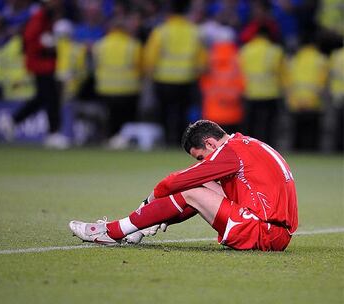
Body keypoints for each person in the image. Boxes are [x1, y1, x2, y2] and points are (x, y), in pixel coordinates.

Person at [69, 120, 298, 251]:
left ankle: (112, 231)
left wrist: (147, 202)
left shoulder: (230, 152)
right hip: (274, 230)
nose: (205, 162)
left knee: (189, 188)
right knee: (201, 186)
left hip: (264, 232)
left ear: (210, 142)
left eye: (201, 157)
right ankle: (137, 228)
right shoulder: (247, 144)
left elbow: (174, 182)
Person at [3, 0, 69, 149]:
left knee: (42, 98)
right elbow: (29, 38)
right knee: (51, 99)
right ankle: (53, 134)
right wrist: (44, 43)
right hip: (40, 65)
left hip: (45, 64)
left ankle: (13, 121)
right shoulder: (39, 18)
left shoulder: (45, 18)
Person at [144, 0, 206, 146]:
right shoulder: (194, 31)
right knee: (183, 114)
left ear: (169, 12)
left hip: (163, 79)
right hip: (187, 79)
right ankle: (181, 142)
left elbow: (150, 56)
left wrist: (149, 74)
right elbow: (202, 59)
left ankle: (166, 141)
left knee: (164, 113)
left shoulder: (161, 31)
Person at [93, 17, 143, 140]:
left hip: (105, 88)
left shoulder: (100, 45)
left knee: (109, 118)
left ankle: (109, 139)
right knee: (127, 120)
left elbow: (95, 65)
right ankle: (125, 140)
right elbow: (141, 67)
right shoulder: (133, 45)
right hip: (129, 89)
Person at [240, 25, 284, 148]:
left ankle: (248, 149)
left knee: (251, 126)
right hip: (271, 93)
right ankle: (267, 150)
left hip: (250, 92)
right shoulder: (275, 51)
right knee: (269, 126)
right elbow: (281, 73)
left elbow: (240, 71)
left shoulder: (245, 50)